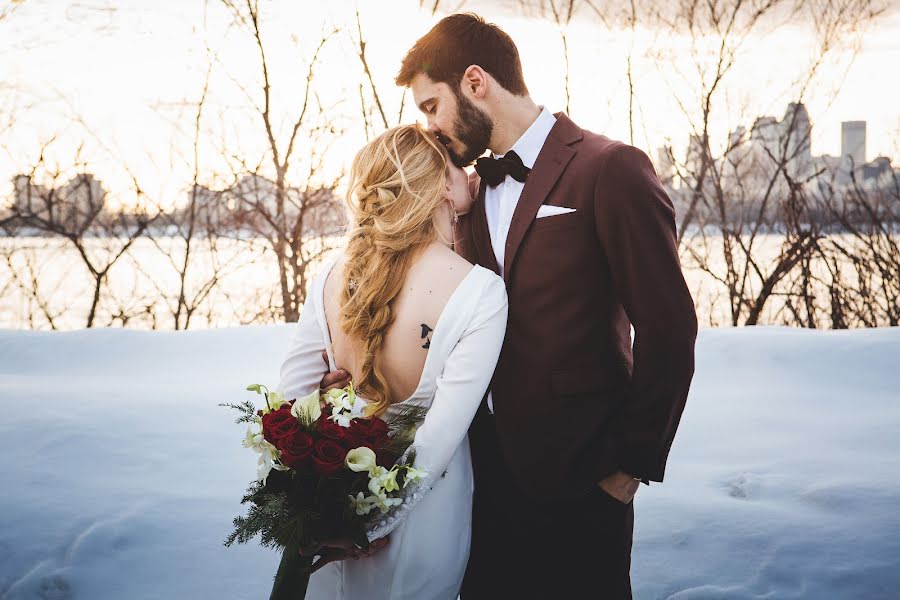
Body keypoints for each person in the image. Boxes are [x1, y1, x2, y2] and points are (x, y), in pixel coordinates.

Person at [393, 13, 699, 599]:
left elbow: (669, 327)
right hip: (482, 484)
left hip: (583, 481)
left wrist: (628, 467)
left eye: (432, 105)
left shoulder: (610, 168)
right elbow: (466, 312)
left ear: (475, 82)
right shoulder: (471, 190)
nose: (428, 127)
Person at [276, 123, 509, 600]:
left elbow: (292, 399)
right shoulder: (480, 291)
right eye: (457, 167)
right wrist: (373, 524)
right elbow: (439, 438)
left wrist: (331, 514)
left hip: (332, 497)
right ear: (442, 185)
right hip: (425, 512)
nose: (470, 175)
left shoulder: (329, 276)